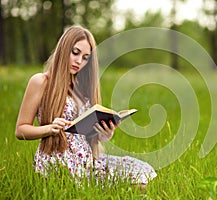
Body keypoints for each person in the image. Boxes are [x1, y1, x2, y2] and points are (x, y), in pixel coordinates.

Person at [15, 25, 157, 188]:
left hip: (88, 158)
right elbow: (20, 130)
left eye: (85, 58)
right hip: (59, 158)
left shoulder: (81, 86)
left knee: (142, 173)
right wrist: (49, 129)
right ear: (63, 49)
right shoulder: (41, 81)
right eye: (75, 53)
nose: (79, 61)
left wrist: (105, 134)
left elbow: (88, 135)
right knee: (134, 185)